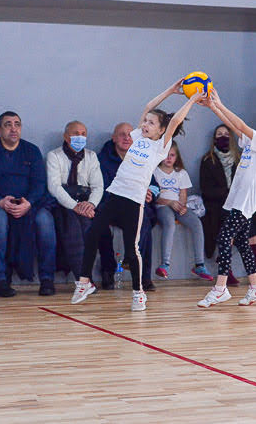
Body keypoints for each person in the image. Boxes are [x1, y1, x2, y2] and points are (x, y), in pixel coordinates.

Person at [72, 79, 201, 311]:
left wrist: (191, 99)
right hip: (114, 194)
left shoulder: (160, 146)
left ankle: (138, 292)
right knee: (92, 234)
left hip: (134, 200)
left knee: (133, 248)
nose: (145, 124)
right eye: (145, 121)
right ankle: (84, 282)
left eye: (151, 123)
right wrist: (171, 90)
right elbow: (148, 105)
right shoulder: (138, 137)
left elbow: (176, 121)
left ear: (161, 130)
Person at [196, 89, 256, 308]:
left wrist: (219, 103)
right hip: (238, 199)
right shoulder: (254, 143)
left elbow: (240, 125)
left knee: (224, 238)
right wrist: (214, 106)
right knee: (242, 243)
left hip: (245, 203)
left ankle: (220, 288)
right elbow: (233, 127)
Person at [0, 111, 57, 297]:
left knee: (45, 220)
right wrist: (0, 201)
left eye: (17, 124)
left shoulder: (32, 150)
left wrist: (29, 202)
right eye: (8, 124)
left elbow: (39, 183)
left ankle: (47, 279)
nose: (13, 129)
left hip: (28, 203)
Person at [199, 124, 256, 285]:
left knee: (250, 229)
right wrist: (228, 193)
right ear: (214, 139)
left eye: (226, 134)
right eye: (219, 134)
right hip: (219, 204)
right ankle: (225, 277)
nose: (223, 137)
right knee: (227, 234)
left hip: (242, 203)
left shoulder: (241, 157)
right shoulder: (207, 160)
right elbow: (206, 190)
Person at [97, 122, 160, 291]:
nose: (126, 138)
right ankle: (108, 272)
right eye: (122, 134)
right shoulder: (102, 159)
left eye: (130, 135)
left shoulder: (141, 155)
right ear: (113, 138)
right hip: (113, 204)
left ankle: (143, 277)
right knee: (101, 225)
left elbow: (154, 185)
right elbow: (101, 188)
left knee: (144, 220)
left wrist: (150, 194)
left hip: (136, 205)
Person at [46, 120, 103, 279]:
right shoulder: (54, 155)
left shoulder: (91, 157)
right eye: (75, 134)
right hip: (63, 203)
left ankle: (89, 275)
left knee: (90, 228)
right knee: (72, 229)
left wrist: (90, 205)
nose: (80, 137)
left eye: (83, 134)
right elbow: (54, 187)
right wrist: (74, 206)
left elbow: (98, 186)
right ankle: (82, 279)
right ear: (66, 136)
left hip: (86, 203)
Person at [153, 141, 208, 279]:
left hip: (178, 206)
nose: (169, 158)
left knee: (196, 223)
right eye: (166, 155)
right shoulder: (154, 172)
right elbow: (154, 197)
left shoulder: (181, 173)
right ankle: (165, 264)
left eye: (172, 155)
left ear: (176, 157)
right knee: (169, 223)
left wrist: (182, 206)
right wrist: (170, 202)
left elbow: (183, 193)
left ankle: (200, 265)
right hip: (163, 206)